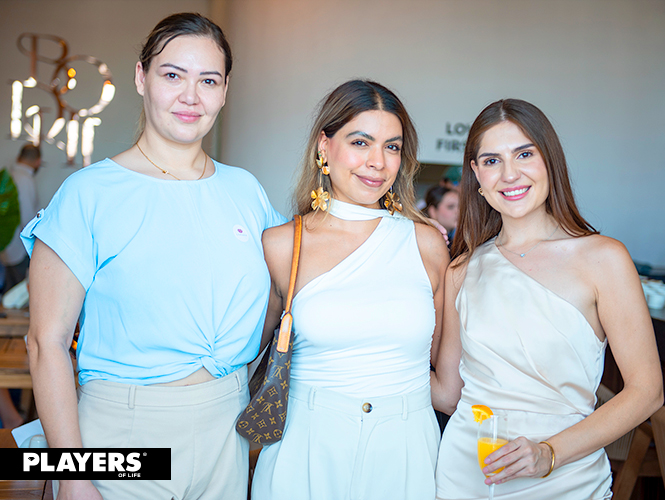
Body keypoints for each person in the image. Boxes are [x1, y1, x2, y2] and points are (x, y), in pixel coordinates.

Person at [22, 13, 284, 500]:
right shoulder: (89, 192)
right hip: (124, 428)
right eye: (172, 75)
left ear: (225, 91)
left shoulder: (244, 190)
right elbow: (46, 342)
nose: (191, 96)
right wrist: (72, 478)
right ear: (142, 77)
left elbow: (281, 290)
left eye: (208, 80)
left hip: (228, 424)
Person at [431, 98, 663, 499]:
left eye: (524, 153)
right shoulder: (462, 269)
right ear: (476, 175)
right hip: (465, 473)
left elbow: (647, 391)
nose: (509, 174)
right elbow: (449, 394)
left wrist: (549, 452)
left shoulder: (604, 258)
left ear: (549, 160)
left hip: (565, 478)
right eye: (491, 161)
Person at [251, 79, 449, 500]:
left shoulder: (426, 244)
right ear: (324, 146)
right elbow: (245, 359)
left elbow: (444, 374)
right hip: (305, 447)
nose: (378, 162)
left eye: (392, 147)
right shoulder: (282, 244)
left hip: (406, 447)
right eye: (361, 142)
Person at [1, 144, 41, 293]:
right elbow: (27, 217)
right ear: (38, 161)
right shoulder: (24, 179)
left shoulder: (9, 174)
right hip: (19, 246)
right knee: (18, 292)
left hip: (8, 245)